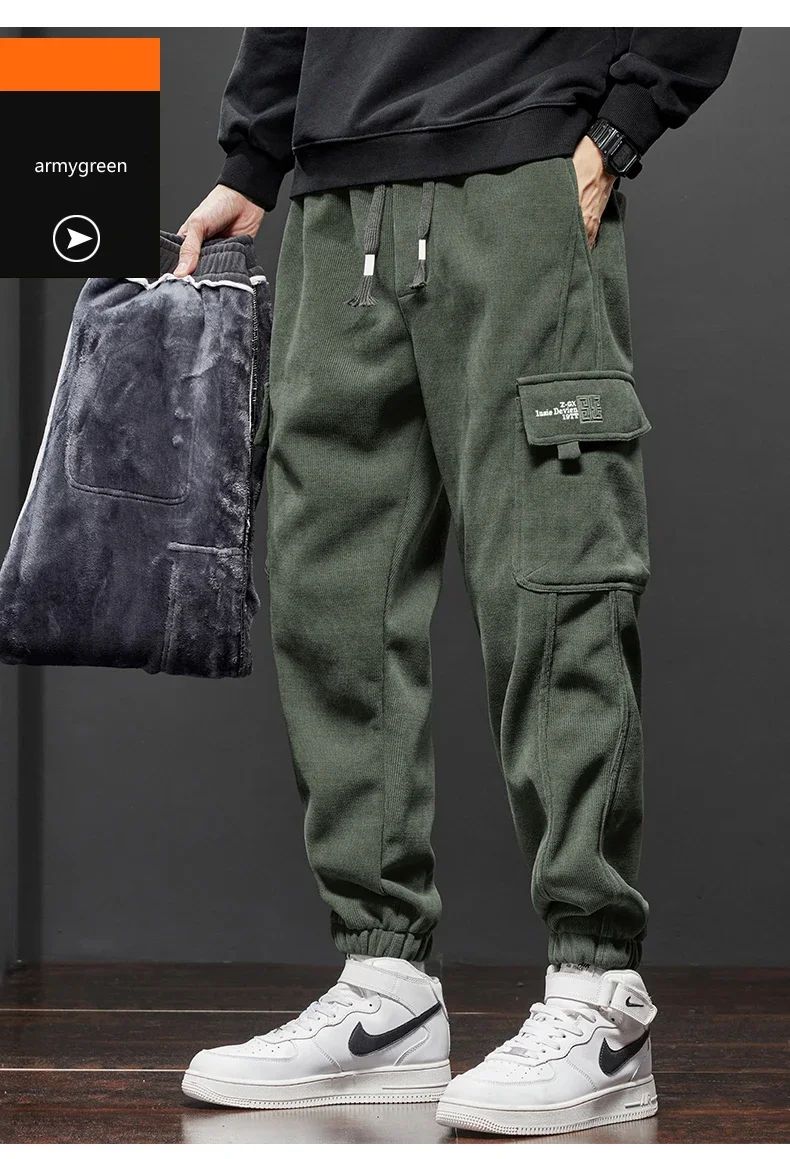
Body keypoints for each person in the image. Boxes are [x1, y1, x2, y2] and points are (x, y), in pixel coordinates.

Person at [178, 28, 738, 1136]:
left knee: (555, 581)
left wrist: (619, 129)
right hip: (336, 196)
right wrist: (253, 159)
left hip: (522, 178)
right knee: (329, 597)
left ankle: (599, 991)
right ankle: (384, 987)